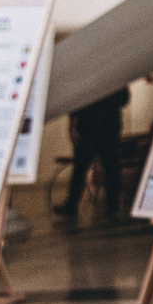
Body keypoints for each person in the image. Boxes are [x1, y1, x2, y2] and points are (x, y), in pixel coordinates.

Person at [56, 86, 131, 221]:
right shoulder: (114, 78)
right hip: (104, 126)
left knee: (85, 168)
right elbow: (124, 99)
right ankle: (112, 208)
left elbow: (76, 100)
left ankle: (73, 205)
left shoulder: (94, 78)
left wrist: (73, 125)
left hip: (92, 126)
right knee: (108, 167)